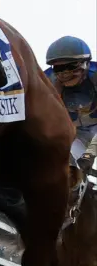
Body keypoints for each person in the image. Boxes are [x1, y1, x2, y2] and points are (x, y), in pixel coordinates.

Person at [44, 36, 97, 173]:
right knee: (67, 165)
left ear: (86, 63)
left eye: (70, 67)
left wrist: (90, 154)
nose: (64, 74)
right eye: (59, 68)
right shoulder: (47, 81)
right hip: (76, 132)